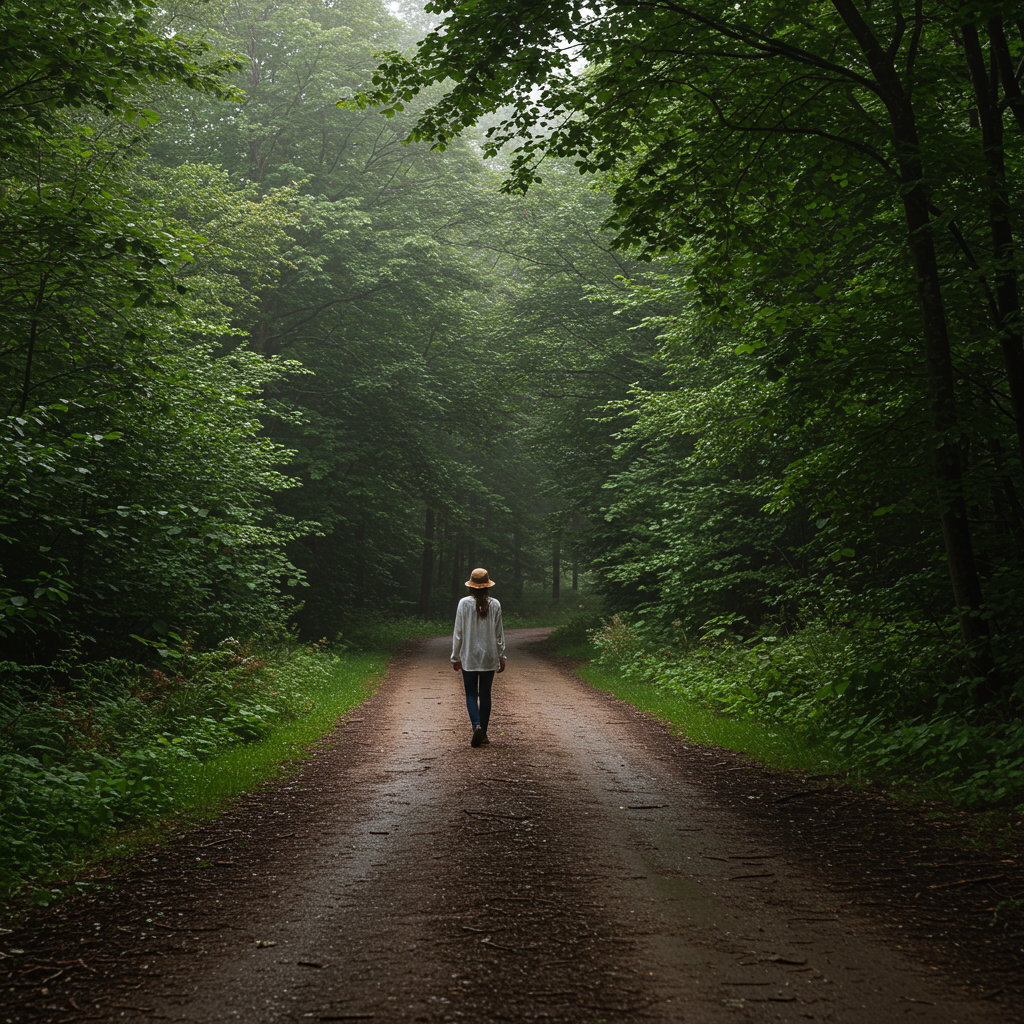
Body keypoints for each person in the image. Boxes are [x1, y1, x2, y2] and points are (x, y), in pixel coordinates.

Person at [451, 567, 506, 747]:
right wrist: (501, 654)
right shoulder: (495, 604)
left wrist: (455, 656)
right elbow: (499, 633)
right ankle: (484, 733)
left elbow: (458, 632)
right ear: (487, 586)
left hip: (469, 656)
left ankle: (476, 727)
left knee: (471, 693)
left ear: (471, 586)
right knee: (485, 694)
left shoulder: (463, 603)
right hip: (489, 655)